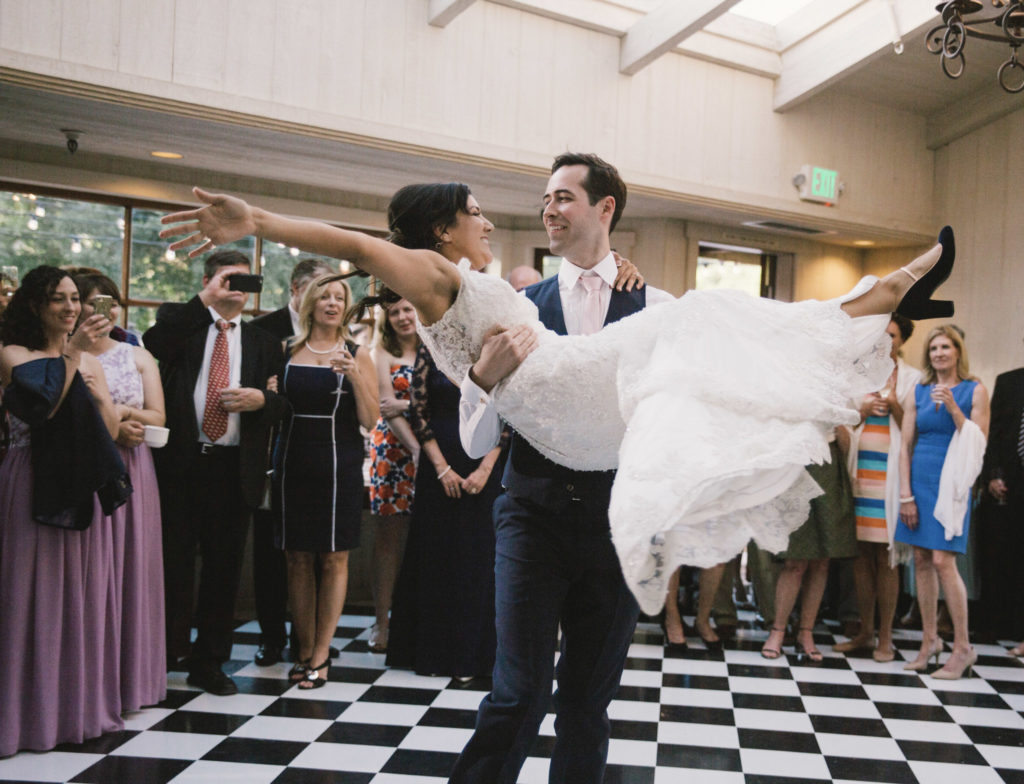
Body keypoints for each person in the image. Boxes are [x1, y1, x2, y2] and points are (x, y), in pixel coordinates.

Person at [159, 171, 954, 620]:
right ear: (439, 231)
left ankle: (873, 304)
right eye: (474, 213)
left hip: (580, 396)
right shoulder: (438, 275)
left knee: (700, 331)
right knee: (705, 321)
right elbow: (359, 244)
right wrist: (257, 217)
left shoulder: (467, 282)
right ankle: (874, 300)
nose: (488, 223)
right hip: (570, 399)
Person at [0, 266, 130, 756]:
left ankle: (72, 712)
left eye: (76, 298)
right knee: (26, 596)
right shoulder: (13, 354)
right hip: (29, 477)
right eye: (58, 299)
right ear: (35, 305)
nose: (71, 307)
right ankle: (22, 718)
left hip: (78, 482)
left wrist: (98, 391)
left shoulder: (88, 360)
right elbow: (44, 405)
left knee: (75, 600)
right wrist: (75, 353)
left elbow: (112, 429)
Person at [144, 249, 286, 696]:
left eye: (247, 282)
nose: (238, 290)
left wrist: (262, 402)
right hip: (181, 464)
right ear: (209, 280)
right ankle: (161, 657)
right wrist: (204, 300)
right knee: (173, 566)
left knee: (223, 572)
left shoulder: (264, 342)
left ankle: (209, 662)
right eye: (230, 279)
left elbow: (285, 404)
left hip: (233, 468)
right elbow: (152, 345)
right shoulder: (182, 325)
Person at [273, 274, 378, 688]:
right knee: (297, 557)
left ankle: (321, 654)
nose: (333, 303)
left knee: (333, 557)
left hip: (339, 460)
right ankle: (302, 648)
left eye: (340, 297)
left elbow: (371, 420)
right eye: (326, 296)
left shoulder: (357, 352)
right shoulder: (286, 350)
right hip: (292, 458)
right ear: (310, 303)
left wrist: (353, 375)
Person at [385, 339, 508, 678]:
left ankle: (477, 655)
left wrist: (485, 469)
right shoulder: (432, 345)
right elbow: (417, 409)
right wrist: (440, 467)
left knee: (479, 558)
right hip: (437, 466)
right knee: (436, 555)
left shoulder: (496, 346)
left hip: (486, 465)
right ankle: (433, 653)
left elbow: (510, 414)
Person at [75, 272, 168, 709]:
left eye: (109, 302)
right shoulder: (63, 354)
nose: (103, 311)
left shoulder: (137, 355)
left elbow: (158, 416)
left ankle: (129, 681)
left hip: (133, 468)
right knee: (89, 574)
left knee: (131, 568)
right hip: (84, 466)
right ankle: (85, 680)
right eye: (93, 302)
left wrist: (124, 412)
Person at [250, 257, 333, 666]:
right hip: (273, 453)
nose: (327, 300)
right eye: (319, 290)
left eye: (333, 292)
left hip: (323, 459)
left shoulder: (339, 338)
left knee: (319, 554)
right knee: (273, 552)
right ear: (297, 292)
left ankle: (314, 637)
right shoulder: (265, 331)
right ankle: (271, 635)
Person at [895, 325, 989, 679]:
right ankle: (929, 641)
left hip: (952, 481)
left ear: (957, 351)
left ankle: (963, 647)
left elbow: (979, 442)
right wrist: (905, 493)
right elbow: (905, 445)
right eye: (933, 348)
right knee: (920, 559)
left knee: (942, 561)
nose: (939, 353)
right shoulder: (917, 390)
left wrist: (953, 409)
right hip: (919, 477)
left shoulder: (974, 389)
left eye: (946, 347)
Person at [837, 314, 922, 662]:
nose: (886, 341)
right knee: (860, 558)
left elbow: (915, 428)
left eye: (893, 336)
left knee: (886, 559)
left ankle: (885, 638)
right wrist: (863, 406)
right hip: (860, 475)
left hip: (891, 479)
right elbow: (842, 418)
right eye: (881, 336)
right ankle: (864, 632)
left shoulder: (914, 377)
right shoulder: (858, 375)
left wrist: (895, 406)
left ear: (902, 341)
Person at [760, 429, 857, 661]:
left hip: (829, 463)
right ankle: (778, 630)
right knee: (795, 559)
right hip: (796, 462)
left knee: (822, 560)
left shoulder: (838, 392)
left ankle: (806, 633)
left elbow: (845, 434)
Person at [367, 293, 421, 653]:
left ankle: (417, 618)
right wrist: (415, 449)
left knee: (426, 537)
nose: (402, 317)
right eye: (394, 313)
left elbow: (452, 399)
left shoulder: (436, 349)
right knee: (389, 540)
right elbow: (386, 409)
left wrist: (406, 403)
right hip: (394, 451)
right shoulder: (380, 353)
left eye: (407, 309)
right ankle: (382, 621)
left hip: (436, 451)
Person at [977, 348, 1024, 652]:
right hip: (1010, 482)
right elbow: (993, 434)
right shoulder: (1009, 382)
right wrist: (992, 475)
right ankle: (1002, 623)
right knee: (1006, 555)